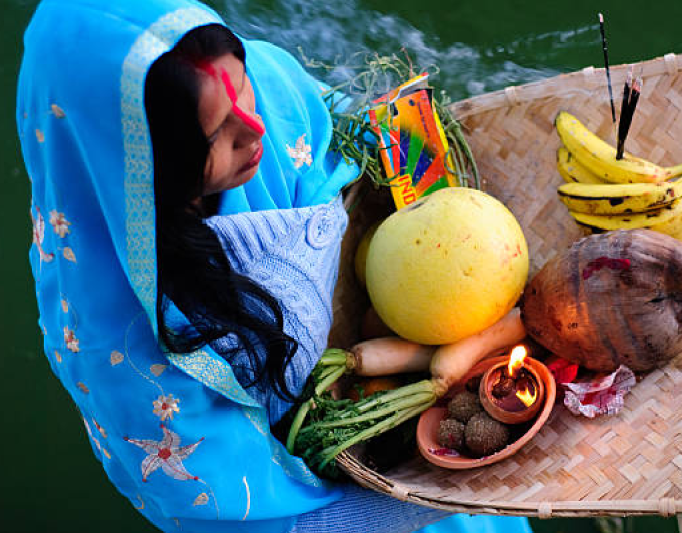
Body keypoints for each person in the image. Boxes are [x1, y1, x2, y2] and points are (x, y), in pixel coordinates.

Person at [17, 1, 534, 532]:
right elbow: (246, 519)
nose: (256, 127)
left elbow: (345, 133)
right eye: (216, 133)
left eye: (242, 87)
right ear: (146, 170)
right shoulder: (124, 353)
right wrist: (447, 487)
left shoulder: (265, 87)